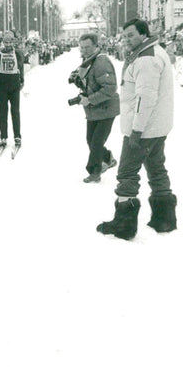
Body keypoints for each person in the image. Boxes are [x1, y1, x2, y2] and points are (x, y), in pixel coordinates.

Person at [97, 18, 176, 240]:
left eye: (131, 35)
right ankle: (165, 218)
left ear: (143, 33)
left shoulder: (146, 59)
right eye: (124, 36)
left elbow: (146, 98)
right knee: (156, 167)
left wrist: (137, 130)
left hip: (144, 128)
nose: (126, 39)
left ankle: (124, 224)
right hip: (157, 126)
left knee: (127, 173)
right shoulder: (152, 52)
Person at [73, 32, 119, 183]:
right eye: (81, 47)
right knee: (90, 140)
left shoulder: (101, 61)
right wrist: (75, 76)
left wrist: (89, 99)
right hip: (94, 110)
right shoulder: (88, 60)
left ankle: (95, 171)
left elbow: (109, 89)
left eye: (87, 47)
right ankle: (108, 158)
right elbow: (85, 75)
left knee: (96, 142)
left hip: (106, 108)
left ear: (96, 46)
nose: (84, 50)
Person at [0, 30, 24, 150]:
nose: (8, 45)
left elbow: (21, 67)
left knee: (15, 111)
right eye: (6, 42)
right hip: (3, 85)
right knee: (3, 112)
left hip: (14, 85)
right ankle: (3, 136)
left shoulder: (18, 53)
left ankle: (17, 136)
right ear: (3, 42)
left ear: (13, 42)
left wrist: (22, 80)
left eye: (10, 42)